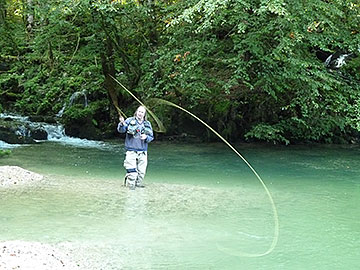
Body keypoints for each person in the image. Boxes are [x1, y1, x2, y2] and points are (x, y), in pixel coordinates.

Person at [117, 106, 154, 190]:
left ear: (144, 114)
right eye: (139, 112)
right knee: (132, 173)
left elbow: (151, 137)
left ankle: (138, 193)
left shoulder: (147, 124)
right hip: (131, 151)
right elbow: (121, 130)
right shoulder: (129, 121)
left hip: (143, 152)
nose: (140, 114)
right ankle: (129, 190)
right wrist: (121, 124)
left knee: (141, 173)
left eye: (142, 112)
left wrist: (146, 137)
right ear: (136, 112)